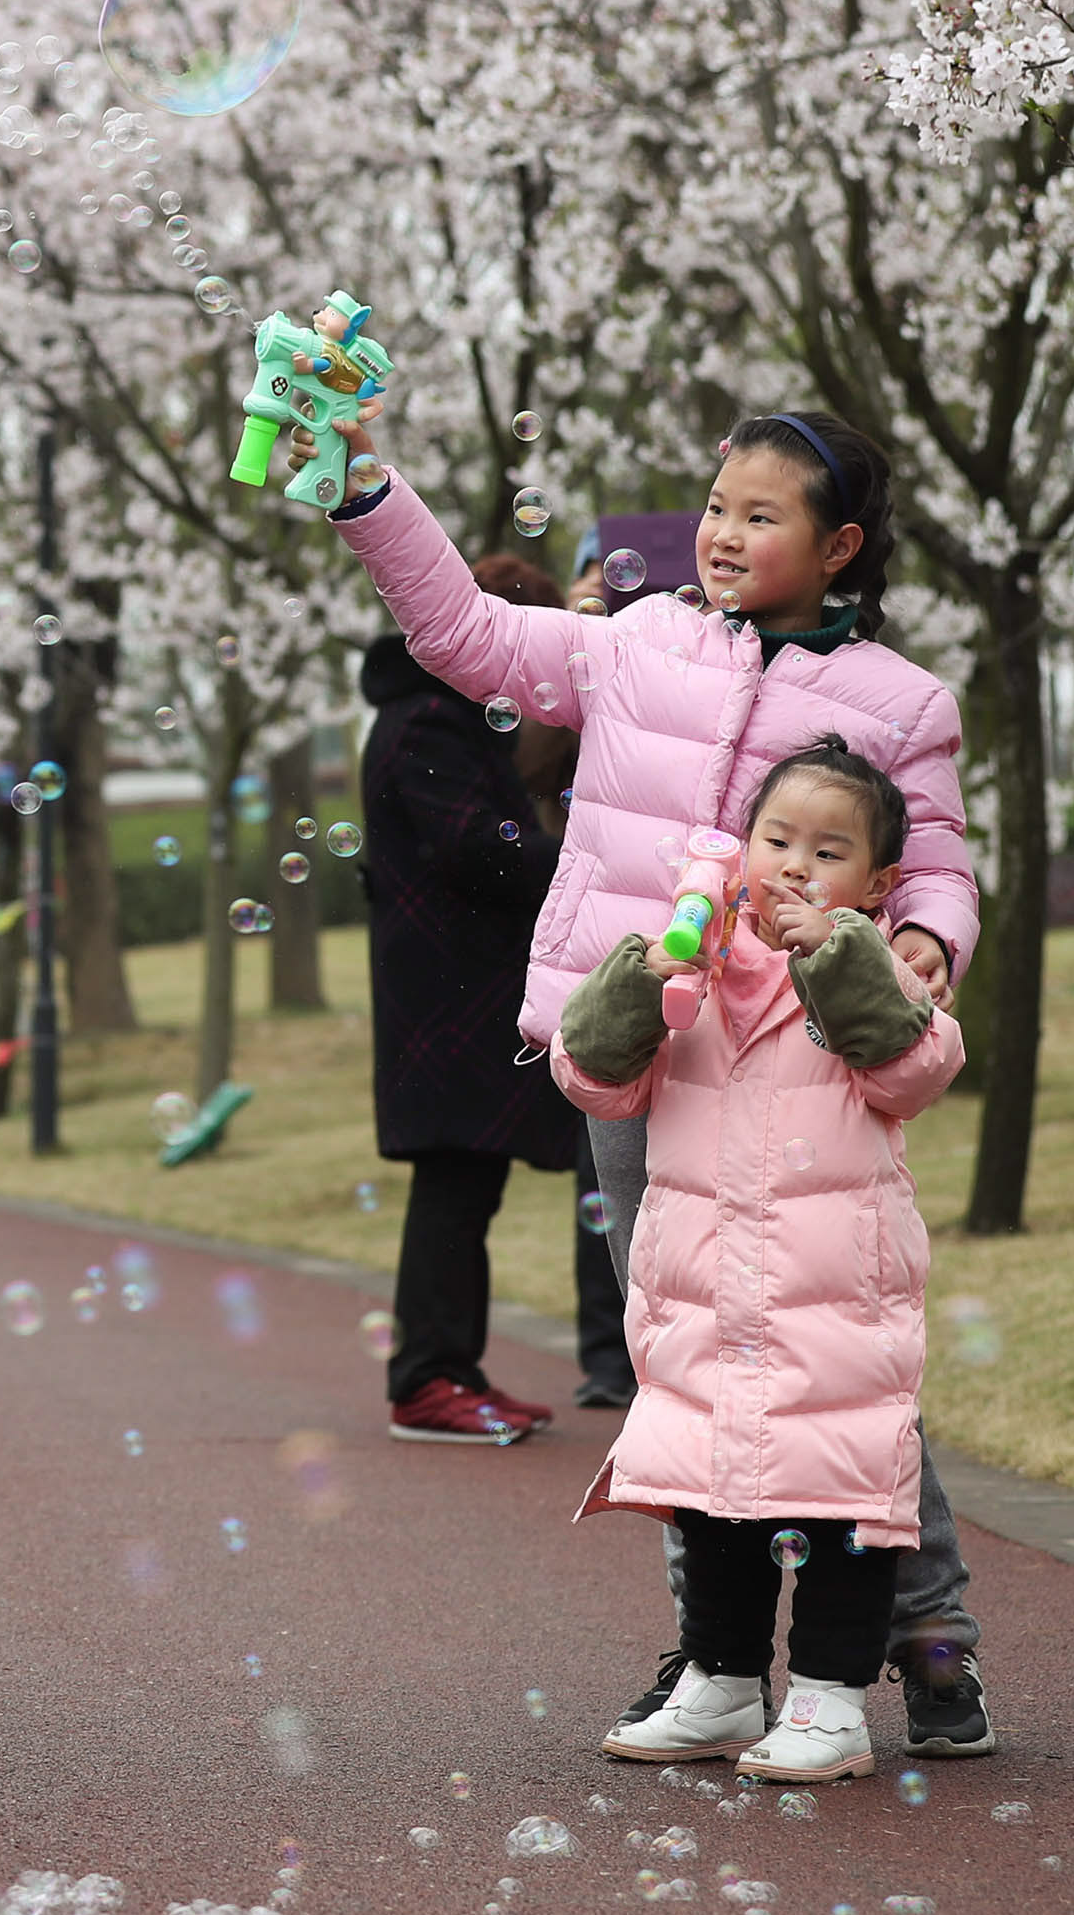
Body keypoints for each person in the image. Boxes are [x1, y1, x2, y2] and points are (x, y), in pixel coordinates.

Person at [316, 404, 998, 1758]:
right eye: (715, 503)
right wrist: (370, 490)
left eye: (763, 512)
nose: (724, 532)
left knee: (831, 1343)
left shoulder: (903, 703)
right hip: (646, 1054)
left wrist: (924, 939)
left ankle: (928, 1630)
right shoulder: (637, 646)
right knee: (679, 1352)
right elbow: (466, 634)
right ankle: (718, 1650)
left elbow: (938, 867)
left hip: (804, 1069)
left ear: (840, 543)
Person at [561, 738, 964, 1783]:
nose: (792, 866)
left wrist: (832, 955)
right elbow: (591, 1079)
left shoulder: (868, 975)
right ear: (737, 851)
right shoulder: (690, 969)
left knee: (833, 1500)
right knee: (712, 1496)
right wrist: (638, 983)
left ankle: (832, 1702)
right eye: (775, 840)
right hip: (702, 1292)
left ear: (875, 886)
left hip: (830, 1300)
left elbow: (917, 1067)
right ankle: (721, 1683)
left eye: (827, 852)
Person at [359, 555, 578, 1445]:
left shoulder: (443, 717)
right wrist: (584, 855)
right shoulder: (429, 724)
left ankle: (458, 1366)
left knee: (469, 1184)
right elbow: (477, 848)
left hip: (454, 994)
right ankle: (426, 1379)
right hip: (442, 1002)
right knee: (453, 1186)